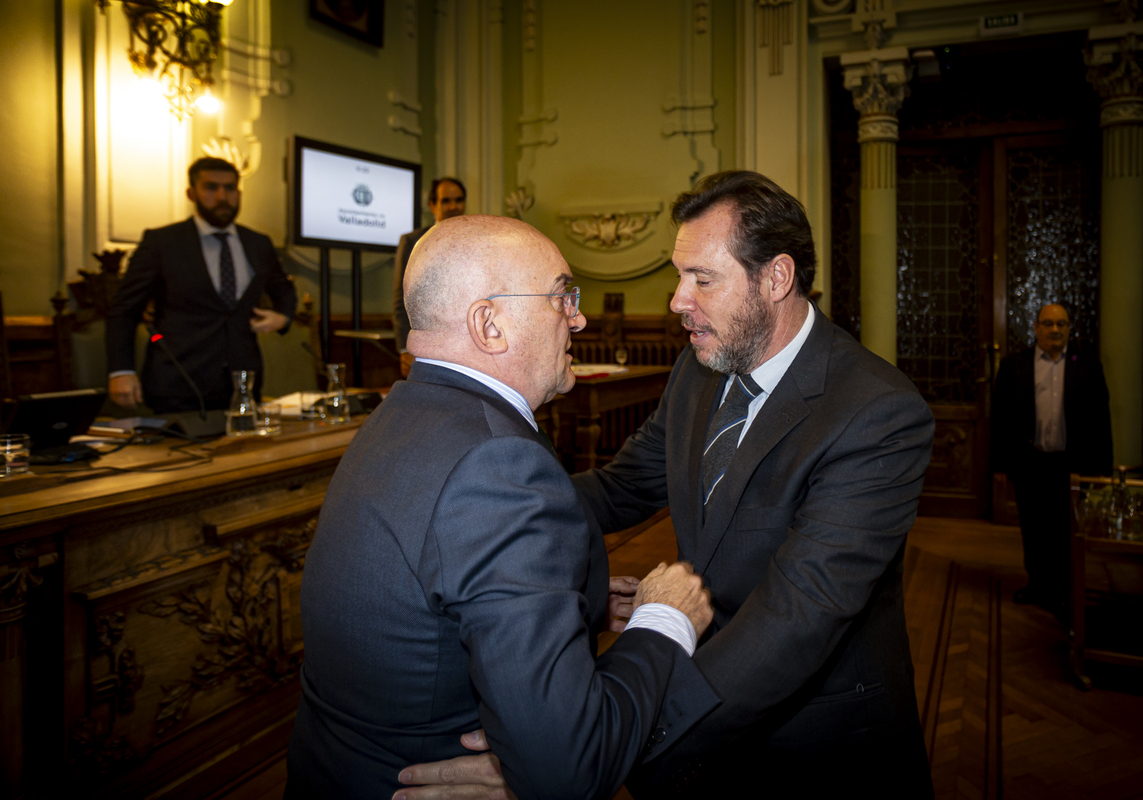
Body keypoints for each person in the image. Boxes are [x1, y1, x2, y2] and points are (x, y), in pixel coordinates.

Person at [402, 171, 937, 797]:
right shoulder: (701, 366)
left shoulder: (876, 412)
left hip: (813, 742)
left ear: (777, 278)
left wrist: (609, 743)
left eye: (702, 279)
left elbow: (795, 619)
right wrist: (472, 503)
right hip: (701, 706)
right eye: (679, 275)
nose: (678, 300)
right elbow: (623, 485)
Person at [286, 215, 719, 800]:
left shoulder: (404, 411)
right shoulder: (499, 465)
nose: (579, 317)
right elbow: (568, 767)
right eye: (563, 296)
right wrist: (664, 619)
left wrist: (578, 602)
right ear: (489, 324)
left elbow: (430, 605)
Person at [106, 157, 297, 413]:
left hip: (243, 384)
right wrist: (121, 370)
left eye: (230, 188)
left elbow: (283, 289)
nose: (222, 196)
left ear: (238, 193)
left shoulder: (258, 243)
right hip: (177, 385)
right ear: (191, 193)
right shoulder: (162, 242)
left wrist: (283, 317)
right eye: (210, 187)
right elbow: (124, 311)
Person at [993, 303, 1113, 612]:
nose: (1055, 330)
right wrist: (1000, 465)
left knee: (1067, 531)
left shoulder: (1086, 365)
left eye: (1061, 324)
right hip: (1030, 462)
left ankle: (1066, 589)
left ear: (1069, 329)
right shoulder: (1013, 366)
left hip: (1071, 464)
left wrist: (1101, 469)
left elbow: (1101, 418)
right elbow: (1001, 418)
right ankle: (1038, 585)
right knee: (1034, 528)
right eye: (1048, 324)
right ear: (1035, 328)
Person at [392, 177, 466, 376]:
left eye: (458, 200)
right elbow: (401, 299)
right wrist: (405, 349)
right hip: (425, 345)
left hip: (467, 344)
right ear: (433, 206)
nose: (453, 206)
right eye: (445, 201)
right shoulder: (412, 241)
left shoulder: (476, 241)